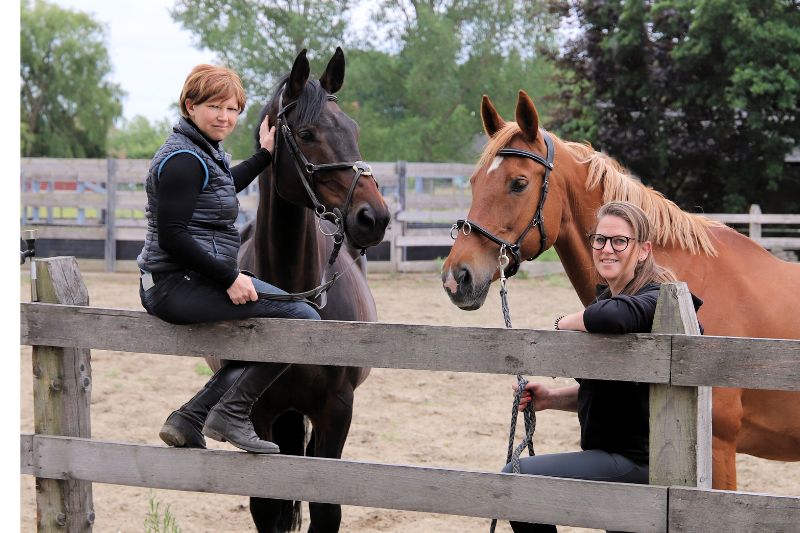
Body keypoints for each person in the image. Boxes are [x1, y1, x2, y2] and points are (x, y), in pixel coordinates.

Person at [136, 64, 320, 454]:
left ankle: (191, 417)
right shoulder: (183, 160)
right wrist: (227, 277)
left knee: (282, 319)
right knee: (303, 318)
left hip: (189, 278)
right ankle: (232, 412)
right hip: (172, 284)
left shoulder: (201, 152)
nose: (224, 117)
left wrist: (263, 157)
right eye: (214, 106)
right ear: (190, 105)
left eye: (233, 109)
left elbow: (220, 187)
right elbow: (173, 236)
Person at [504, 201, 702, 533]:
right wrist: (552, 398)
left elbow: (613, 316)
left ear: (642, 251)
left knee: (516, 480)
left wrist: (562, 322)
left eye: (619, 241)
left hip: (643, 462)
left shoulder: (659, 299)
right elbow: (618, 391)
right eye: (600, 240)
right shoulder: (609, 299)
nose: (607, 248)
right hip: (611, 456)